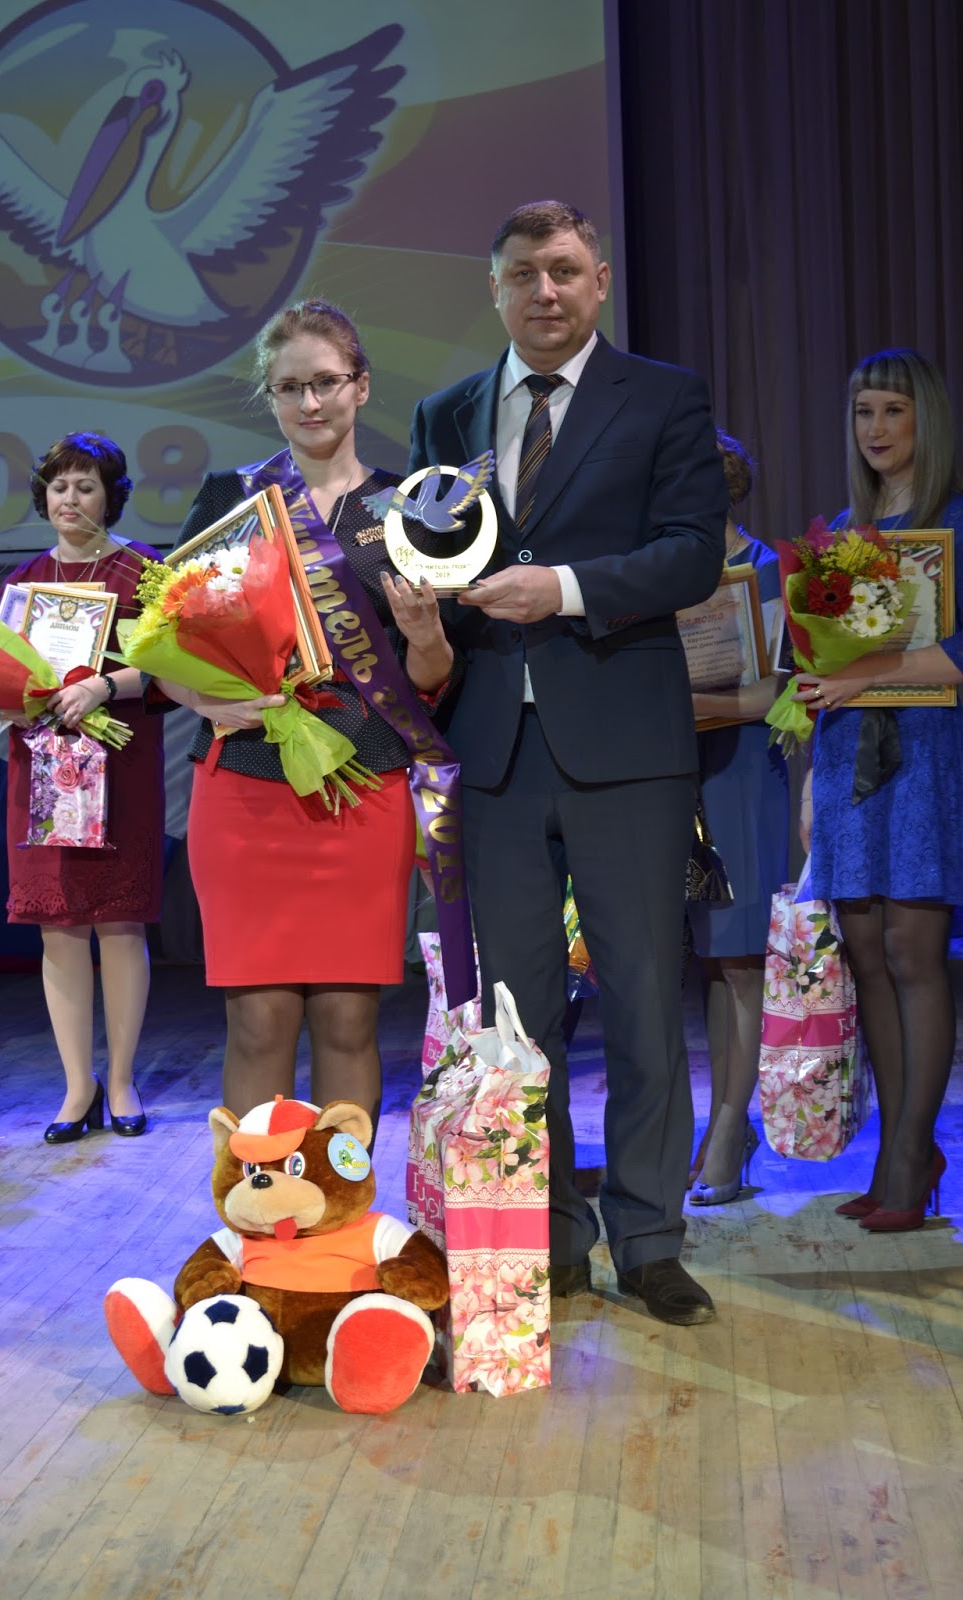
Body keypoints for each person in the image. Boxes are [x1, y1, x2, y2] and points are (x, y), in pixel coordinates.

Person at [408, 200, 727, 1323]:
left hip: (627, 747)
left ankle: (648, 1238)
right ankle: (545, 1235)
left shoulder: (665, 396)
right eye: (521, 274)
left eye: (562, 270)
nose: (543, 292)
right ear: (493, 289)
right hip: (493, 748)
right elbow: (433, 551)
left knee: (641, 1001)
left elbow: (691, 555)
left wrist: (566, 589)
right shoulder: (446, 410)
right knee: (517, 1013)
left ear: (599, 280)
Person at [165, 300, 452, 1129]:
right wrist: (205, 700)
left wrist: (427, 637)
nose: (310, 403)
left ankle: (340, 1206)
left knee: (348, 1021)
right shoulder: (230, 498)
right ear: (271, 395)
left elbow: (432, 680)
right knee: (257, 1024)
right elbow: (164, 645)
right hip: (245, 788)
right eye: (290, 387)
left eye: (326, 382)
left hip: (365, 788)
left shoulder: (407, 509)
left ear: (361, 386)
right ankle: (263, 1205)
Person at [795, 347, 963, 1231]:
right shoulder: (841, 534)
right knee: (864, 953)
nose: (877, 429)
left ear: (925, 420)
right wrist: (809, 773)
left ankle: (908, 1157)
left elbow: (957, 657)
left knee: (911, 952)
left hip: (926, 758)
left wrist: (858, 677)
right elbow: (818, 666)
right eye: (864, 412)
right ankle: (900, 1145)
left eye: (894, 411)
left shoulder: (955, 523)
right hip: (847, 758)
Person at [0, 432, 164, 1143]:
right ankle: (77, 1087)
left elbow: (174, 668)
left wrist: (104, 686)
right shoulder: (24, 581)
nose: (70, 498)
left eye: (85, 485)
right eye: (59, 486)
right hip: (42, 771)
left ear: (111, 496)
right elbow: (2, 676)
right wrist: (7, 696)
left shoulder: (142, 570)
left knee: (119, 923)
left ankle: (122, 1080)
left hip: (120, 767)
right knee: (59, 927)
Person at [687, 432, 790, 1203]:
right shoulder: (667, 572)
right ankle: (721, 1115)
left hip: (742, 774)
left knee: (741, 957)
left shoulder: (766, 567)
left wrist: (678, 702)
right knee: (710, 960)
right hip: (679, 775)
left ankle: (731, 1123)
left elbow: (769, 695)